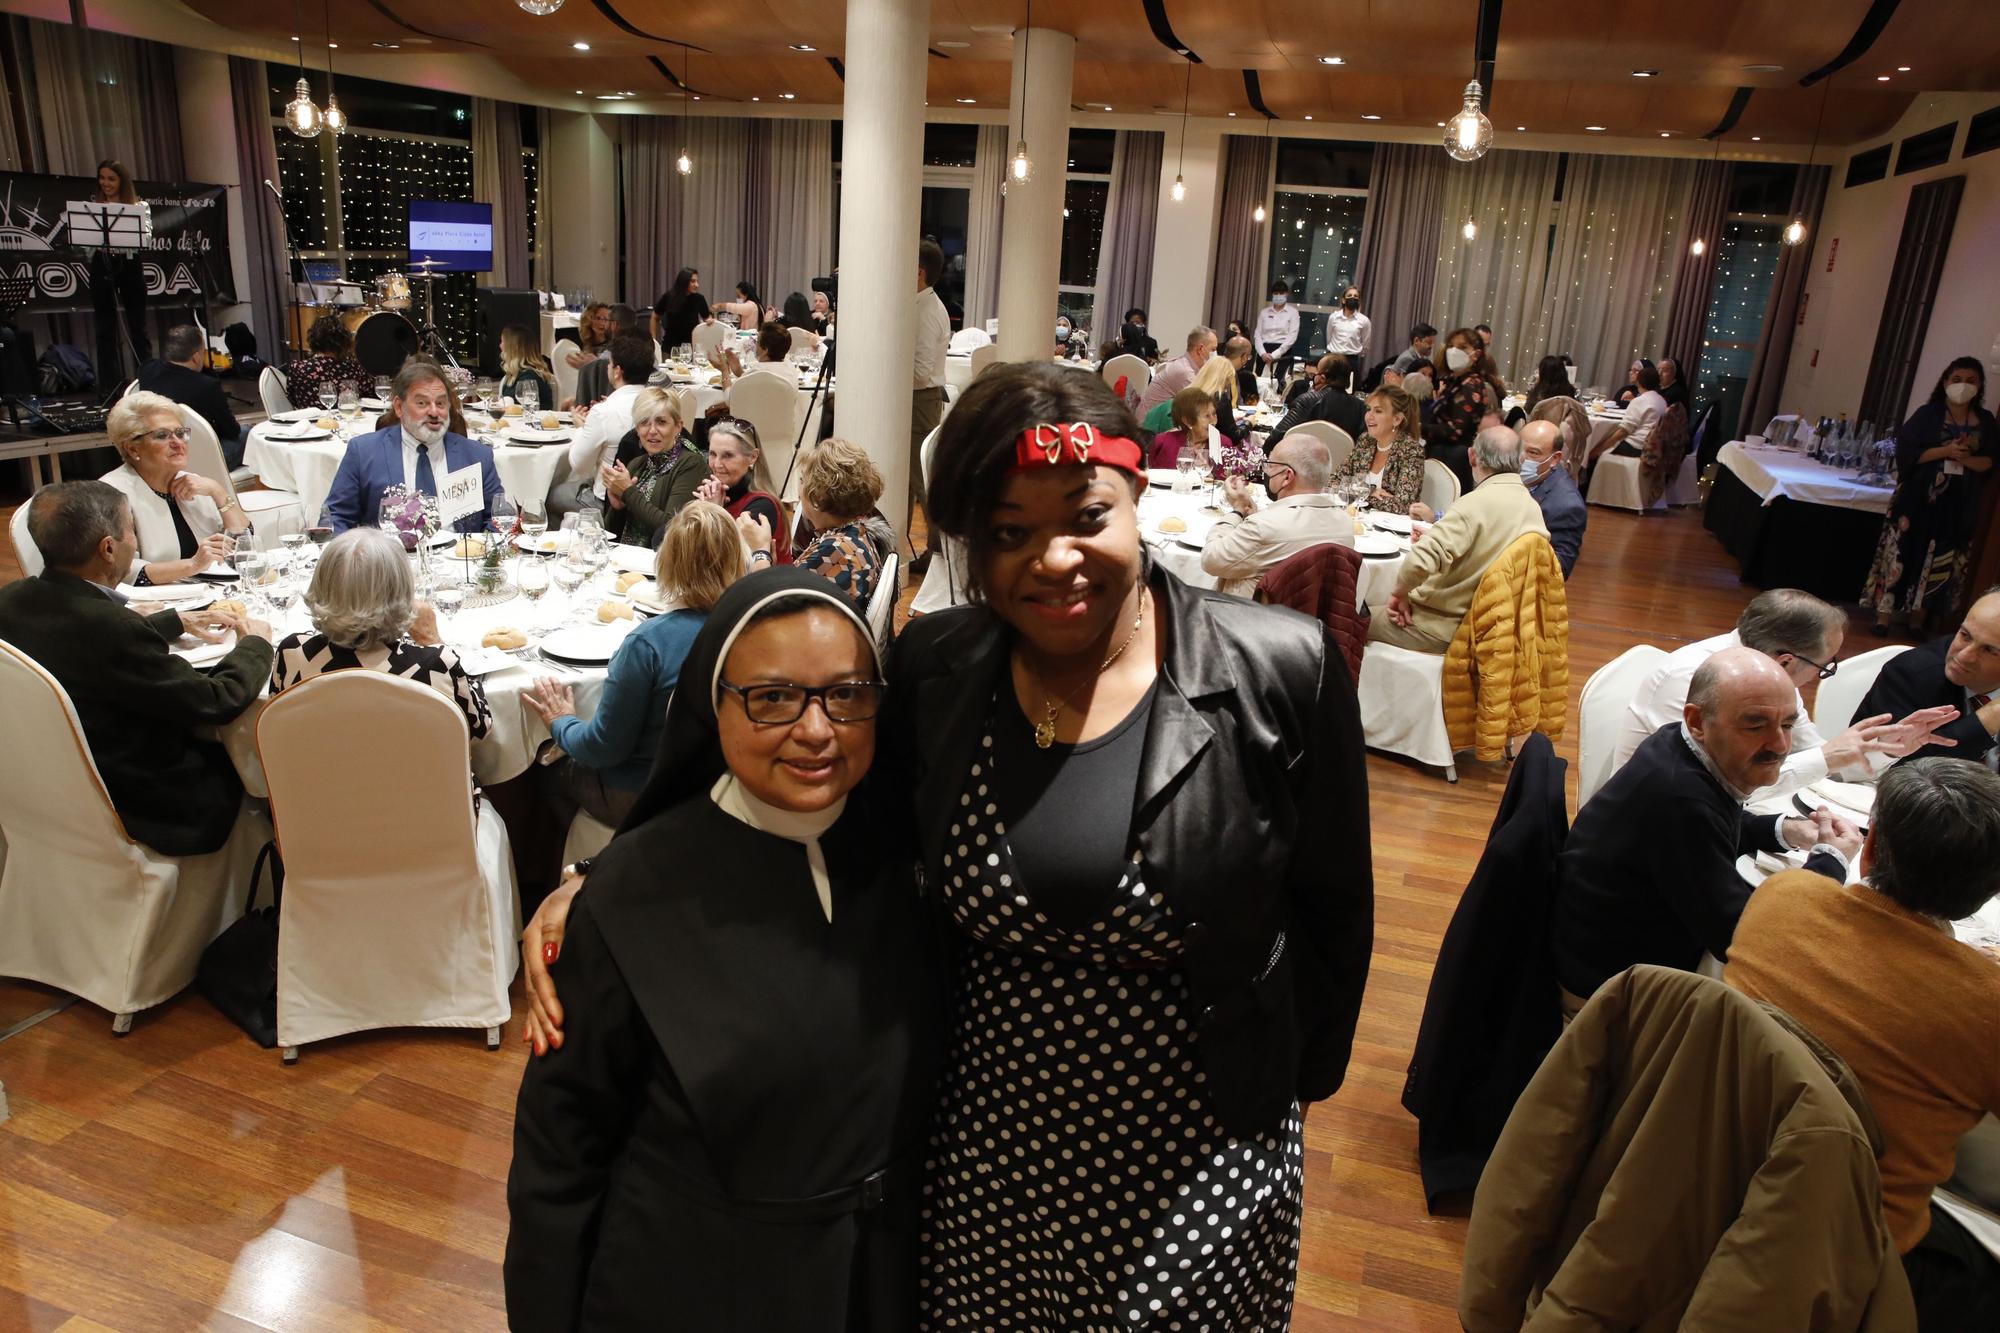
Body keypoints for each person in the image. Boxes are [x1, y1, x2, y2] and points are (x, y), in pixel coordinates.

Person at [514, 363, 1376, 1328]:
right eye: (1010, 531)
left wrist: (1274, 1090)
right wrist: (604, 881)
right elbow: (823, 799)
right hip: (976, 1163)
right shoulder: (940, 668)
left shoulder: (1280, 671)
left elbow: (1335, 921)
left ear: (1138, 496)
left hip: (1189, 1166)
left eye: (1087, 514)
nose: (1054, 558)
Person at [506, 567, 945, 1330]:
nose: (816, 728)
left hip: (887, 1273)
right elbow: (558, 1157)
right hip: (701, 1283)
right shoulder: (625, 901)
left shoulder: (914, 848)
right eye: (772, 697)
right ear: (713, 705)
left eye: (845, 693)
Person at [1724, 757, 2000, 1330]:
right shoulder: (1986, 1006)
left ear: (1870, 848)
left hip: (1716, 1173)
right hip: (1858, 1252)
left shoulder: (1783, 899)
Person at [1552, 648, 1861, 1009]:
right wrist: (1830, 863)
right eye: (1756, 725)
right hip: (1611, 992)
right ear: (1698, 721)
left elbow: (1711, 827)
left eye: (1787, 724)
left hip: (1606, 949)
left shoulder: (1676, 743)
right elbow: (1744, 939)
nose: (1780, 744)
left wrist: (1787, 830)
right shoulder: (1679, 799)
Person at [0, 480, 271, 855]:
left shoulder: (12, 599)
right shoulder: (113, 630)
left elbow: (75, 644)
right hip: (144, 802)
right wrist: (256, 645)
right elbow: (216, 701)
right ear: (108, 548)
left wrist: (173, 621)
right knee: (267, 770)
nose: (136, 542)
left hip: (44, 785)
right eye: (131, 529)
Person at [523, 501, 743, 830]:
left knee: (541, 774)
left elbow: (602, 750)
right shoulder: (749, 634)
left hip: (644, 799)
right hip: (720, 793)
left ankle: (581, 873)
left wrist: (561, 722)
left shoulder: (647, 644)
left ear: (667, 561)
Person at [1612, 587, 1964, 789]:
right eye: (1825, 666)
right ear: (1786, 661)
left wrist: (1888, 748)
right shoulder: (1693, 679)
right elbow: (1726, 789)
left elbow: (1828, 765)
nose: (1821, 674)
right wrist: (1826, 758)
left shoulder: (1773, 681)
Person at [273, 527, 490, 742]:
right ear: (401, 591)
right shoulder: (433, 664)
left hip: (316, 776)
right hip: (414, 777)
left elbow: (278, 731)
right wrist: (433, 641)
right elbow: (480, 727)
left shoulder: (292, 651)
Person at [1369, 425, 1548, 654]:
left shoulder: (1474, 504)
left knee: (1349, 619)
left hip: (1440, 628)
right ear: (1521, 460)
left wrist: (1399, 594)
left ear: (1472, 456)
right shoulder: (1533, 510)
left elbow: (1418, 563)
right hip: (1497, 629)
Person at [1862, 357, 1996, 635]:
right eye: (1957, 379)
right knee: (1901, 553)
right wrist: (1946, 451)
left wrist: (1964, 458)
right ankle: (1883, 617)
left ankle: (1917, 620)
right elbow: (1908, 455)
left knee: (1938, 560)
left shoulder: (1985, 421)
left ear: (1980, 385)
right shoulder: (1928, 414)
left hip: (1957, 504)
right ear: (1945, 382)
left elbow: (1990, 463)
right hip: (1916, 501)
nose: (1963, 386)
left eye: (1971, 381)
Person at [321, 359, 504, 534]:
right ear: (399, 407)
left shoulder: (477, 456)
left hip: (459, 559)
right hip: (389, 562)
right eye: (422, 403)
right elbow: (335, 518)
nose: (434, 412)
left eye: (440, 403)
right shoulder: (363, 452)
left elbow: (497, 520)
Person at [99, 390, 252, 585]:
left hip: (209, 591)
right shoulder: (112, 493)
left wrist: (218, 492)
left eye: (180, 433)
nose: (178, 443)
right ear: (132, 448)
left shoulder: (193, 482)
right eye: (162, 435)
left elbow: (245, 546)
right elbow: (123, 572)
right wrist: (192, 565)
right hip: (154, 604)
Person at [1852, 586, 2000, 769]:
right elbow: (1904, 772)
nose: (1963, 656)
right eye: (1965, 635)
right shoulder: (1909, 674)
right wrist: (1987, 719)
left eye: (1989, 650)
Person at [1201, 433, 1353, 598]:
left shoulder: (1264, 527)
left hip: (1250, 617)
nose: (1266, 469)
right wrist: (1254, 514)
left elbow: (1211, 559)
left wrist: (1237, 511)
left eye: (1270, 464)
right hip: (1313, 619)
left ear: (1287, 476)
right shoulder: (1345, 524)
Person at [786, 436, 887, 609]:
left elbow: (768, 606)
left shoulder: (834, 551)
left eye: (802, 481)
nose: (799, 489)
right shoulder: (858, 533)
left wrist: (761, 553)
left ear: (818, 496)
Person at [601, 388, 708, 548]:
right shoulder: (637, 464)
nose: (652, 431)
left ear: (678, 426)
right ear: (637, 429)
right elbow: (610, 535)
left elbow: (671, 530)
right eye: (644, 423)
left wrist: (628, 492)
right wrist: (618, 508)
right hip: (627, 562)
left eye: (661, 422)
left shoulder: (691, 464)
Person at [563, 334, 655, 513]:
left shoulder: (604, 412)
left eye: (609, 363)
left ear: (617, 371)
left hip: (606, 501)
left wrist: (581, 428)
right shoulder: (658, 405)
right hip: (650, 496)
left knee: (552, 495)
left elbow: (579, 465)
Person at [83, 158, 151, 382]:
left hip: (129, 263)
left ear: (122, 181)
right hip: (102, 263)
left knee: (138, 327)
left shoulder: (139, 207)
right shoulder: (92, 208)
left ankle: (148, 381)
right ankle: (109, 386)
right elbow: (85, 243)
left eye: (111, 179)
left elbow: (146, 239)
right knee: (105, 329)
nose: (106, 183)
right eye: (102, 178)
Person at [137, 325, 241, 467]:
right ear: (196, 357)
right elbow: (231, 431)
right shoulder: (207, 385)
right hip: (197, 460)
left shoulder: (147, 369)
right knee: (248, 434)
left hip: (158, 456)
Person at [909, 238, 951, 576]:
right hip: (919, 398)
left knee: (922, 478)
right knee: (909, 479)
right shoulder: (923, 305)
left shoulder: (926, 311)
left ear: (919, 272)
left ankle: (937, 553)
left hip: (920, 399)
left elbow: (920, 373)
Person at [693, 418, 789, 564]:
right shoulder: (715, 493)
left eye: (727, 456)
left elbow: (722, 563)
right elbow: (663, 538)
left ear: (753, 457)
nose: (717, 464)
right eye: (712, 454)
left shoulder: (763, 505)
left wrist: (712, 512)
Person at [1424, 327, 1500, 492]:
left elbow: (1455, 431)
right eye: (1451, 345)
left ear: (1476, 354)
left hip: (1453, 459)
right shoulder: (1456, 381)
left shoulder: (1471, 384)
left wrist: (1418, 427)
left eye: (1463, 347)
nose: (1454, 351)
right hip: (1442, 454)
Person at [1332, 384, 1426, 513]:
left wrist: (1357, 494)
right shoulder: (1365, 441)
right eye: (1369, 409)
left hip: (1390, 529)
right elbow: (1334, 482)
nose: (1368, 416)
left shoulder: (1411, 451)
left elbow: (1402, 506)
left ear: (1397, 419)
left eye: (1378, 411)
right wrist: (1370, 492)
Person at [1517, 419, 1586, 578]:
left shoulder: (1566, 505)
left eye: (1533, 453)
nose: (1521, 458)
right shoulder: (1512, 473)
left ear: (1555, 459)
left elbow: (1560, 569)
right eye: (1519, 448)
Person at [1267, 353, 1366, 449]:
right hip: (1344, 463)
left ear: (1322, 378)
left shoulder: (1307, 400)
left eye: (1316, 373)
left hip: (1308, 462)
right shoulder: (1361, 407)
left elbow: (1277, 436)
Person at [285, 314, 371, 411]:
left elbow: (291, 399)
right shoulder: (353, 367)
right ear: (344, 341)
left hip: (310, 422)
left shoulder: (298, 368)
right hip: (348, 418)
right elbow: (369, 398)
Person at [1590, 362, 1667, 466]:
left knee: (1596, 456)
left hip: (1636, 447)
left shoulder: (1640, 401)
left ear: (1639, 382)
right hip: (1653, 448)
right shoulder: (1662, 401)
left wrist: (1597, 450)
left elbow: (1624, 431)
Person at [1135, 324, 1218, 421]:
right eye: (1213, 349)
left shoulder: (1188, 365)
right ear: (1200, 349)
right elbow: (1201, 408)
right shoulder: (1184, 371)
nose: (1215, 354)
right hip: (1149, 428)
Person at [572, 304, 645, 409]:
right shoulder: (644, 348)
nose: (603, 324)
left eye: (607, 320)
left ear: (614, 325)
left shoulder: (610, 356)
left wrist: (593, 366)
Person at [1146, 385, 1216, 470]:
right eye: (1207, 416)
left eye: (1214, 414)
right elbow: (1150, 474)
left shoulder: (1223, 444)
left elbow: (1227, 480)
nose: (1213, 421)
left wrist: (1209, 475)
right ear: (1187, 421)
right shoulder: (1163, 442)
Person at [653, 268, 710, 353]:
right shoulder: (669, 297)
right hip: (670, 347)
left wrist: (710, 322)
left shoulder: (699, 299)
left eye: (697, 281)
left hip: (691, 347)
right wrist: (653, 341)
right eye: (693, 281)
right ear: (684, 282)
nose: (697, 285)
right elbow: (654, 317)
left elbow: (707, 319)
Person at [1255, 281, 1301, 384]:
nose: (1278, 296)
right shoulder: (1264, 312)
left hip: (1283, 351)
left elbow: (1292, 337)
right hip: (1264, 351)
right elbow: (1257, 334)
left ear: (1287, 294)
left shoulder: (1293, 313)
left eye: (1281, 293)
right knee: (1259, 382)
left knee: (1278, 383)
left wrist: (1275, 355)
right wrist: (1262, 353)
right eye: (1276, 294)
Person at [498, 325, 555, 409]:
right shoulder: (512, 375)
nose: (500, 346)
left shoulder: (530, 376)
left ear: (513, 348)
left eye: (502, 342)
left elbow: (527, 409)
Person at [1326, 285, 1372, 361]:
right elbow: (1329, 338)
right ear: (1343, 300)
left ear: (1358, 300)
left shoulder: (1364, 320)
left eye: (1355, 296)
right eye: (1349, 295)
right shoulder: (1333, 317)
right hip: (1333, 358)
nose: (1352, 298)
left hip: (1351, 359)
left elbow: (1366, 345)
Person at [563, 301, 612, 371]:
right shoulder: (582, 342)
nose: (602, 323)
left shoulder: (613, 346)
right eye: (598, 318)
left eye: (606, 319)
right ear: (589, 320)